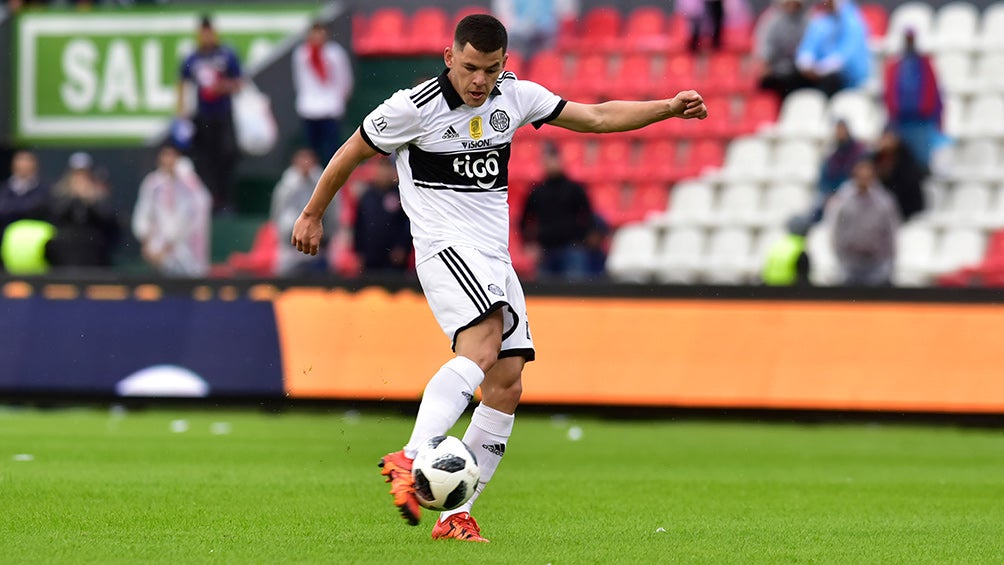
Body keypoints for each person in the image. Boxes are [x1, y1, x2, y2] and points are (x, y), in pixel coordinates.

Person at [290, 14, 707, 542]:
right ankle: (411, 456)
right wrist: (312, 213)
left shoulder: (515, 97)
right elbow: (352, 150)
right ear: (449, 58)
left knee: (506, 385)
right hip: (446, 247)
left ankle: (454, 517)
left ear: (504, 63)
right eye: (469, 68)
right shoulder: (412, 108)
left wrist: (667, 107)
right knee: (482, 346)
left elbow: (597, 118)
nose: (479, 81)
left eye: (489, 69)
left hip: (494, 257)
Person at [177, 15, 242, 213]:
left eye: (209, 32)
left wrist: (220, 87)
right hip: (202, 116)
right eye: (203, 32)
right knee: (205, 160)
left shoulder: (226, 55)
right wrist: (181, 113)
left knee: (227, 155)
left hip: (223, 114)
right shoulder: (193, 57)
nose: (206, 36)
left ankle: (226, 200)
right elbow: (183, 82)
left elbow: (238, 83)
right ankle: (211, 201)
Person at [519, 142, 602, 280]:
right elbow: (524, 220)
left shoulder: (575, 189)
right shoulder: (536, 191)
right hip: (545, 252)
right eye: (547, 159)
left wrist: (582, 240)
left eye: (553, 158)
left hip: (572, 250)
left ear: (560, 160)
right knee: (546, 297)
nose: (550, 163)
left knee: (575, 294)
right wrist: (528, 244)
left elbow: (588, 216)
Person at [132, 144, 212, 277]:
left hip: (185, 253)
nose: (168, 159)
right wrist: (148, 246)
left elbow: (187, 220)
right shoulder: (152, 183)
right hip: (158, 253)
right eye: (165, 155)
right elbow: (143, 213)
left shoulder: (188, 185)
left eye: (172, 155)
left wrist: (166, 249)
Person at [828, 157, 899, 286]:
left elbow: (891, 232)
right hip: (849, 264)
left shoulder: (884, 202)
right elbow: (835, 229)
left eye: (867, 176)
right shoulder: (842, 201)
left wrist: (888, 262)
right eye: (861, 175)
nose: (864, 179)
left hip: (876, 265)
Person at [43, 152, 121, 269]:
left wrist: (91, 201)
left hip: (94, 257)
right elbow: (54, 218)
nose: (81, 179)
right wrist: (72, 198)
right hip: (65, 257)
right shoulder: (58, 193)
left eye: (84, 174)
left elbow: (109, 221)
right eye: (77, 174)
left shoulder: (100, 196)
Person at [270, 148, 339, 277]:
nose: (305, 163)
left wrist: (328, 236)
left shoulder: (326, 183)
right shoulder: (285, 186)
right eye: (302, 159)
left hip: (319, 246)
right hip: (290, 247)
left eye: (308, 159)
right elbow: (278, 214)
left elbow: (333, 213)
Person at [292, 21, 354, 164]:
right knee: (311, 151)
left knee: (332, 151)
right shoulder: (302, 54)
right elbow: (300, 80)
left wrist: (339, 100)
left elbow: (344, 79)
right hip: (309, 109)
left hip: (330, 108)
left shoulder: (335, 53)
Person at [883, 29, 943, 166]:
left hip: (921, 121)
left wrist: (938, 120)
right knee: (901, 161)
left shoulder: (925, 64)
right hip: (900, 121)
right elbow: (889, 93)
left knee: (921, 160)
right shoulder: (896, 65)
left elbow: (935, 93)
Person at [795, 0, 870, 97]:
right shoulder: (820, 21)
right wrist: (807, 66)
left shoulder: (853, 21)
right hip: (819, 77)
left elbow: (844, 58)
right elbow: (807, 48)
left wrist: (820, 70)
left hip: (849, 81)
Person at [353, 156, 412, 274]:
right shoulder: (367, 196)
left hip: (394, 258)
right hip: (370, 257)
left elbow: (407, 223)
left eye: (387, 168)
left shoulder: (400, 194)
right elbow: (359, 225)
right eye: (381, 168)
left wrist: (402, 247)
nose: (383, 173)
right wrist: (359, 251)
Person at [811, 119, 867, 222]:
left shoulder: (859, 152)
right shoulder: (832, 153)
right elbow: (824, 179)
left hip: (851, 195)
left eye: (842, 129)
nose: (840, 133)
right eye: (838, 130)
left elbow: (859, 177)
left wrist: (841, 194)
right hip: (833, 196)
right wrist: (828, 194)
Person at [754, 0, 809, 101]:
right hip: (777, 72)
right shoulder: (770, 21)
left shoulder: (807, 21)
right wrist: (766, 67)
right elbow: (764, 52)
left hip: (798, 72)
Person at [0, 150, 50, 252]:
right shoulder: (4, 189)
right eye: (20, 160)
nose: (24, 165)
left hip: (35, 248)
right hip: (5, 244)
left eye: (28, 161)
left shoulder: (45, 189)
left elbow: (40, 209)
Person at [873, 128, 927, 221]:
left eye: (889, 138)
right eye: (884, 138)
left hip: (906, 207)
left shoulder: (905, 157)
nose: (887, 142)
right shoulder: (876, 159)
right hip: (883, 208)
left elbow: (909, 182)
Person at [491, 0, 558, 59]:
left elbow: (559, 15)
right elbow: (506, 17)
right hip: (517, 38)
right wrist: (523, 26)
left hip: (544, 38)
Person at [762, 214, 811, 286]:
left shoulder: (776, 246)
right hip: (789, 291)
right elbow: (803, 280)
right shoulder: (799, 251)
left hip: (770, 290)